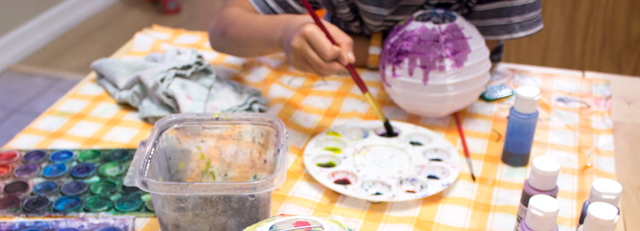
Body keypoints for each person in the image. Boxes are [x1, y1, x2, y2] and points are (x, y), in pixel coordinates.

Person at [209, 0, 542, 77]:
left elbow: (464, 58)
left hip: (454, 104)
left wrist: (369, 50)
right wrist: (286, 32)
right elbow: (225, 30)